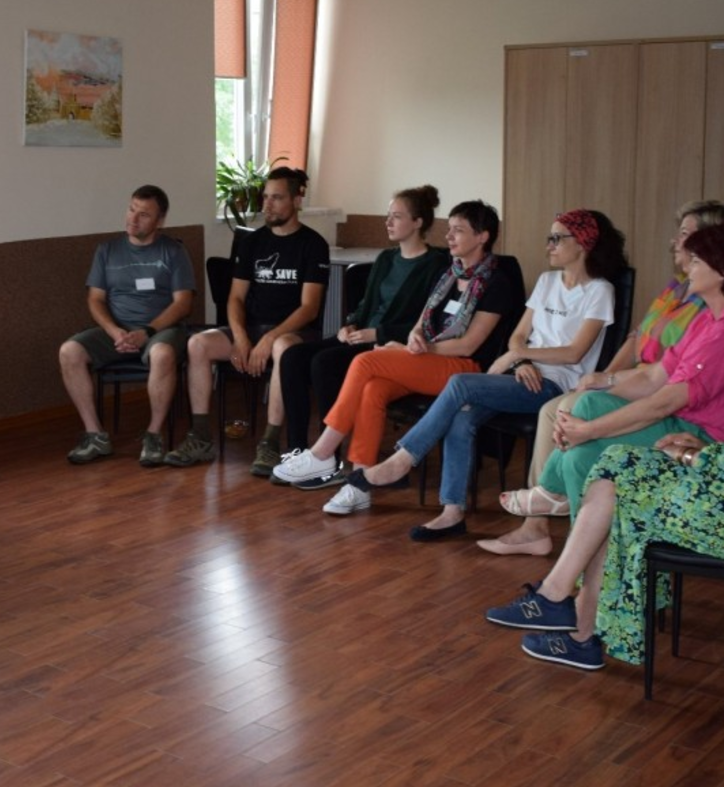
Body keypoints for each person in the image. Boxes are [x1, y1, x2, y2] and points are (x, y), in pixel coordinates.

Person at [483, 238, 724, 671]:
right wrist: (702, 448)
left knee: (616, 489)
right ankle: (564, 606)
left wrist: (690, 457)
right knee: (614, 468)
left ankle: (575, 621)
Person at [483, 220, 724, 557]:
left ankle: (556, 502)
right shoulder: (709, 318)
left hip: (705, 439)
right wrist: (594, 403)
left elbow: (664, 403)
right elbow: (655, 377)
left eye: (697, 260)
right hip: (684, 422)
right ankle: (577, 546)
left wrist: (589, 429)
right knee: (585, 411)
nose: (687, 267)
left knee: (583, 439)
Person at [343, 208, 626, 539]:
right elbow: (518, 336)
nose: (549, 245)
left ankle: (404, 458)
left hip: (555, 385)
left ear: (582, 243)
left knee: (460, 384)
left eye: (557, 238)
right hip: (521, 374)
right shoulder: (547, 282)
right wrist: (520, 360)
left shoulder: (599, 291)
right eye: (549, 238)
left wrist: (517, 356)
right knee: (462, 416)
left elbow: (574, 352)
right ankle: (452, 513)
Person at [272, 200, 524, 529]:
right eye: (449, 229)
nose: (449, 236)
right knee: (373, 389)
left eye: (458, 231)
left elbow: (469, 345)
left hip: (465, 370)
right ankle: (359, 483)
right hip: (429, 359)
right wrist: (414, 340)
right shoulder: (449, 274)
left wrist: (421, 348)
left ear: (483, 236)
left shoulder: (496, 283)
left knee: (365, 361)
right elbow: (421, 322)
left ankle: (322, 453)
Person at [274, 185, 448, 488]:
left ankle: (329, 458)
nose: (388, 222)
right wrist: (351, 324)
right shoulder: (386, 259)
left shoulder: (435, 266)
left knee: (324, 363)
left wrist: (376, 332)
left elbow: (426, 323)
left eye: (397, 216)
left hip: (388, 345)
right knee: (292, 356)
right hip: (362, 337)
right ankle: (299, 450)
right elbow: (366, 305)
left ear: (418, 222)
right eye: (388, 215)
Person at [165, 166, 330, 474]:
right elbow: (235, 298)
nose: (267, 205)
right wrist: (241, 337)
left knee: (282, 348)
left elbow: (309, 308)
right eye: (265, 197)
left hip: (294, 332)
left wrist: (269, 338)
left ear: (296, 201)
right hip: (252, 327)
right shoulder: (252, 242)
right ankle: (200, 437)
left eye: (277, 198)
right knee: (198, 344)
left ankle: (270, 442)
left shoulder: (313, 244)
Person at [59, 185, 195, 467]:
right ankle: (95, 435)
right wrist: (114, 331)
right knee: (69, 352)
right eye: (132, 209)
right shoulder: (107, 251)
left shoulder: (173, 251)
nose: (133, 219)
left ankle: (153, 435)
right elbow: (95, 299)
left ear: (160, 221)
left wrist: (147, 332)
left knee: (162, 354)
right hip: (118, 330)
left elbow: (183, 303)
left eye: (144, 214)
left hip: (160, 330)